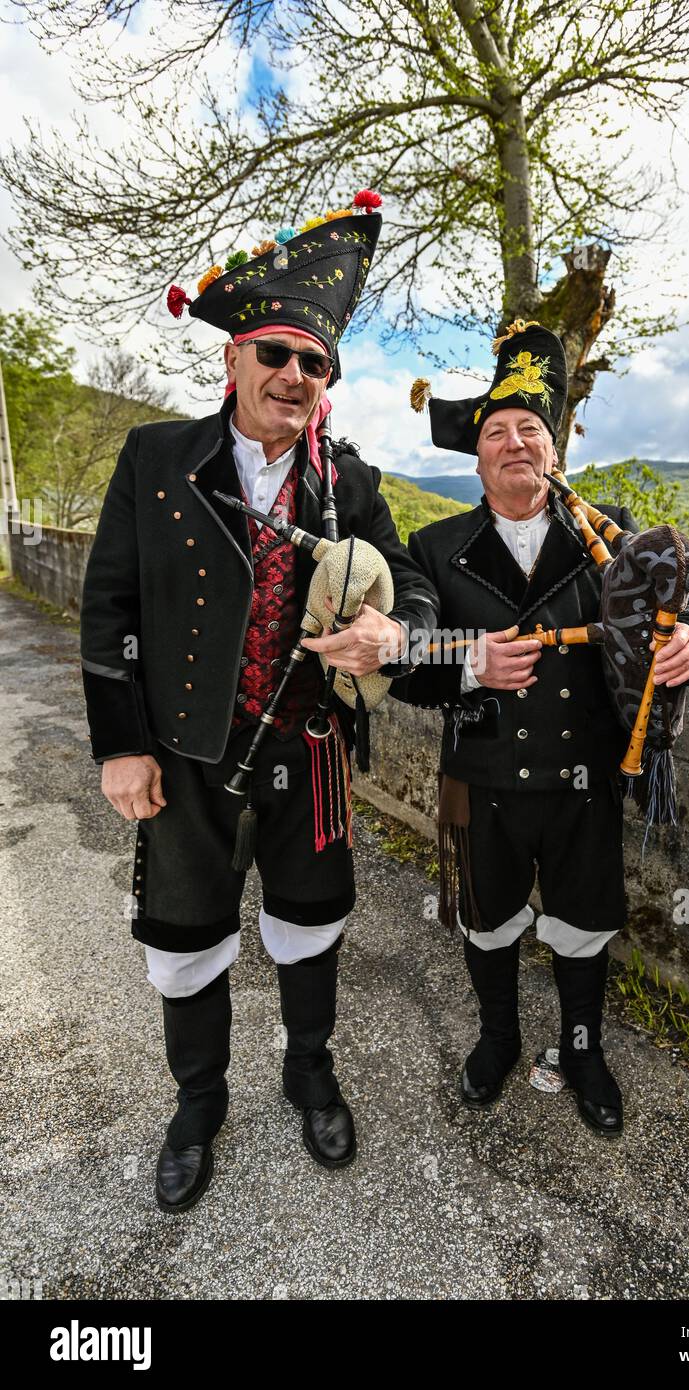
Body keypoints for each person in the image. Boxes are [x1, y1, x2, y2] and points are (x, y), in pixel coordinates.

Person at [80, 195, 438, 1211]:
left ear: (328, 383)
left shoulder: (350, 480)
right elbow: (107, 605)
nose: (294, 375)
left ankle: (309, 1068)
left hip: (311, 746)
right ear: (234, 358)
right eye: (276, 352)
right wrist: (121, 744)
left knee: (311, 922)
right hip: (186, 750)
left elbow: (409, 581)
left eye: (314, 363)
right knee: (186, 937)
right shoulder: (156, 461)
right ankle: (197, 1105)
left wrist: (394, 633)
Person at [392, 321, 689, 1137]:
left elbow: (687, 602)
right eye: (496, 433)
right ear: (476, 460)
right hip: (483, 782)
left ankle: (581, 1050)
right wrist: (468, 660)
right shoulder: (434, 549)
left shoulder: (606, 530)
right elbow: (404, 656)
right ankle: (498, 1040)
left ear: (554, 448)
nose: (513, 444)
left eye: (529, 430)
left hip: (584, 782)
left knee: (582, 929)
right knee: (489, 921)